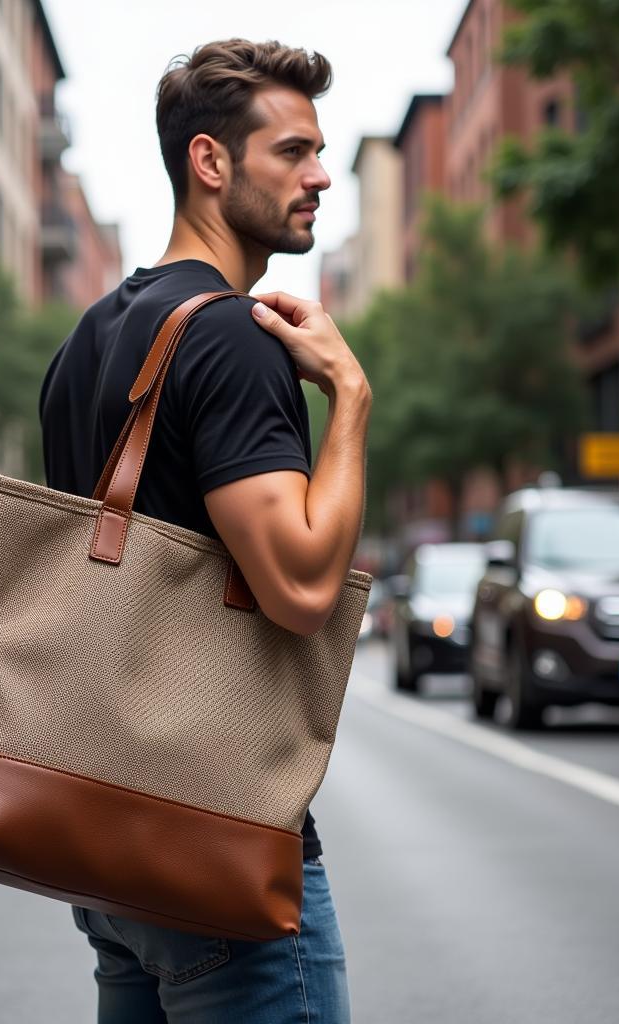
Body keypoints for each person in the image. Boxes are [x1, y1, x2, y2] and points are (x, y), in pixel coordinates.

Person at [39, 38, 372, 1024]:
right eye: (292, 151)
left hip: (107, 850)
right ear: (210, 162)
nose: (319, 176)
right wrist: (349, 396)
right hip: (220, 845)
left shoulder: (88, 339)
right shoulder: (229, 332)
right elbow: (301, 589)